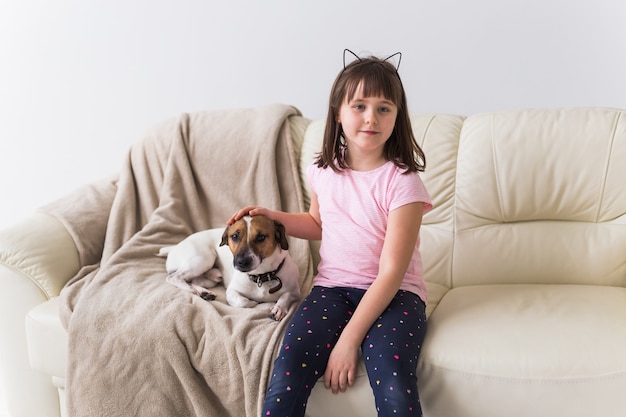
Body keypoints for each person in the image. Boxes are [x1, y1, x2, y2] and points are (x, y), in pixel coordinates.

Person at [228, 50, 432, 417]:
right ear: (338, 112)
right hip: (332, 290)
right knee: (287, 370)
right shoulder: (323, 170)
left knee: (393, 377)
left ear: (397, 117)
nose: (371, 118)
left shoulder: (403, 183)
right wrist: (270, 215)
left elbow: (390, 273)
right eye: (359, 106)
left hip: (396, 295)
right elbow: (318, 224)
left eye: (384, 108)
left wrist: (349, 340)